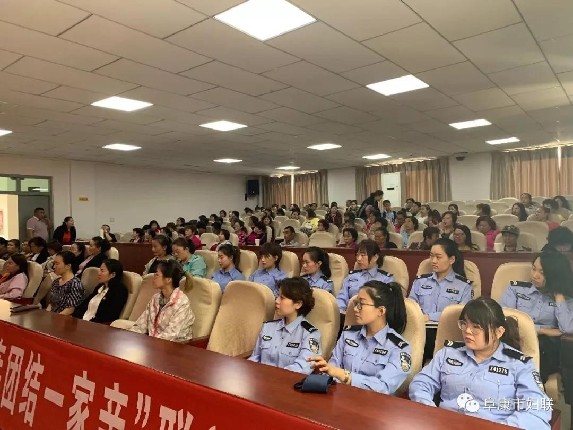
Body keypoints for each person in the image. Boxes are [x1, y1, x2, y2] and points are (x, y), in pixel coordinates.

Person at [409, 297, 551, 430]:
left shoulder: (519, 364)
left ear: (498, 332)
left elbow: (537, 410)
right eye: (464, 324)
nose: (467, 331)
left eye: (476, 327)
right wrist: (430, 411)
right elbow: (421, 383)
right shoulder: (448, 353)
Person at [309, 281, 411, 394]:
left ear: (381, 311)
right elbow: (333, 368)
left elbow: (383, 387)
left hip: (373, 402)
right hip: (339, 395)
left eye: (361, 304)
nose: (355, 309)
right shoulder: (348, 334)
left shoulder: (399, 348)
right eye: (356, 303)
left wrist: (345, 376)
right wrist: (324, 369)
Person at [500, 250, 573, 382]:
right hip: (514, 339)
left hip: (546, 349)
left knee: (543, 348)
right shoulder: (515, 289)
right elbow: (504, 320)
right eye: (533, 269)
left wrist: (558, 294)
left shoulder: (566, 299)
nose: (535, 275)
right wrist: (542, 330)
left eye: (542, 273)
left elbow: (567, 328)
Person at [409, 238, 472, 359]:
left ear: (451, 259)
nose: (433, 261)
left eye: (438, 257)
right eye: (431, 256)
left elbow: (461, 314)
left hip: (449, 335)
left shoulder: (464, 285)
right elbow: (411, 307)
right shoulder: (420, 281)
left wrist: (429, 317)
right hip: (419, 333)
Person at [249, 278, 320, 373]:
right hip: (259, 378)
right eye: (278, 296)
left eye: (282, 298)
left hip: (288, 381)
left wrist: (273, 376)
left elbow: (303, 368)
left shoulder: (310, 334)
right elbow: (255, 358)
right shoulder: (268, 327)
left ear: (298, 304)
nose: (277, 301)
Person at [130, 260, 194, 342]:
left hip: (176, 345)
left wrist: (149, 343)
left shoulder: (182, 302)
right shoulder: (155, 298)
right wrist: (129, 337)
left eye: (157, 275)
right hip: (154, 342)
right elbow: (141, 325)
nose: (154, 277)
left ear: (168, 279)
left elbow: (170, 334)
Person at [336, 240, 394, 313]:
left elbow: (389, 304)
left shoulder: (386, 279)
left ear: (375, 257)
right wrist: (342, 313)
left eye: (363, 255)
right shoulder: (351, 276)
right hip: (351, 315)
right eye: (357, 255)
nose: (358, 259)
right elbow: (341, 299)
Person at [72, 259, 128, 323]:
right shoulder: (100, 286)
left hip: (96, 325)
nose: (99, 273)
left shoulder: (119, 291)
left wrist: (87, 323)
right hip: (83, 321)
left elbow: (109, 316)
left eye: (102, 271)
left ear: (113, 274)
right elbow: (83, 305)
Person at [46, 251, 84, 315]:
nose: (54, 267)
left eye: (57, 264)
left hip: (64, 318)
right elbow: (51, 304)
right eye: (54, 263)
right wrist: (47, 315)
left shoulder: (75, 284)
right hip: (53, 316)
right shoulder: (56, 282)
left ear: (68, 266)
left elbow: (70, 310)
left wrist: (54, 319)